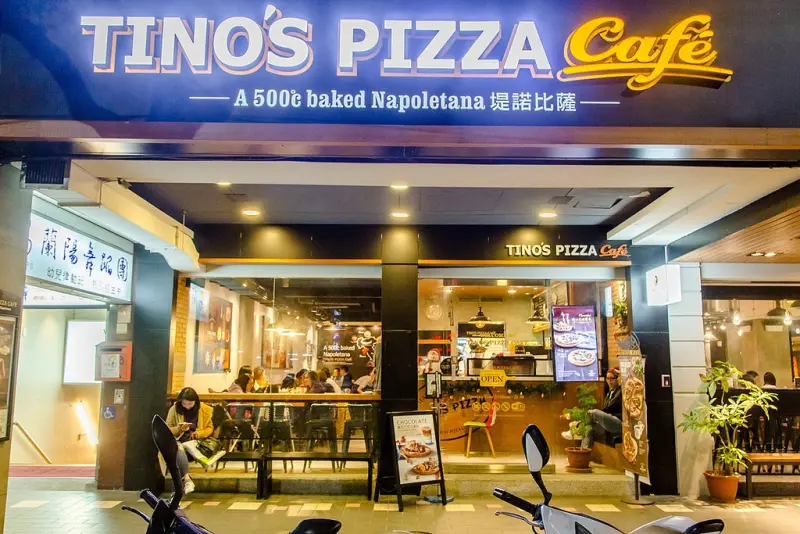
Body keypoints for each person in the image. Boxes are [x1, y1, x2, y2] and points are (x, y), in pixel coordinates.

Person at [165, 387, 218, 494]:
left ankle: (178, 491)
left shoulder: (204, 409)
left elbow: (210, 428)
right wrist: (179, 428)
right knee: (178, 449)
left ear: (196, 401)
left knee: (176, 454)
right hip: (179, 440)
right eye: (184, 403)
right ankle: (187, 479)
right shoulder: (175, 409)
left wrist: (199, 433)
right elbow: (167, 429)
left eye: (190, 403)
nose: (187, 406)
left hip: (196, 443)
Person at [581, 368, 623, 449]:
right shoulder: (608, 394)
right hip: (609, 423)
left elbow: (610, 408)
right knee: (589, 429)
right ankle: (584, 453)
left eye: (612, 378)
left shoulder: (621, 392)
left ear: (618, 379)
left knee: (593, 412)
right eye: (608, 378)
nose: (609, 381)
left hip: (619, 423)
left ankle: (579, 425)